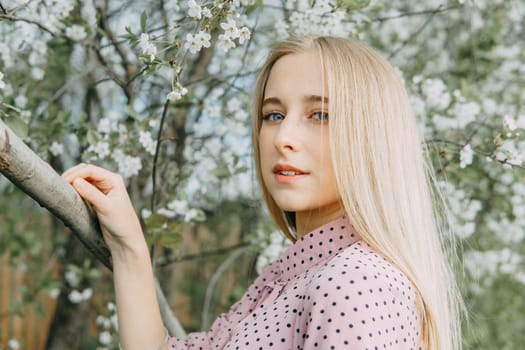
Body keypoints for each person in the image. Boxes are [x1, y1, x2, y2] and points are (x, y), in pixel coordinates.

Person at [63, 36, 462, 350]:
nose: (283, 137)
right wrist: (129, 245)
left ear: (373, 137)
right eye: (273, 115)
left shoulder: (353, 283)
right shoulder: (291, 279)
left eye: (320, 115)